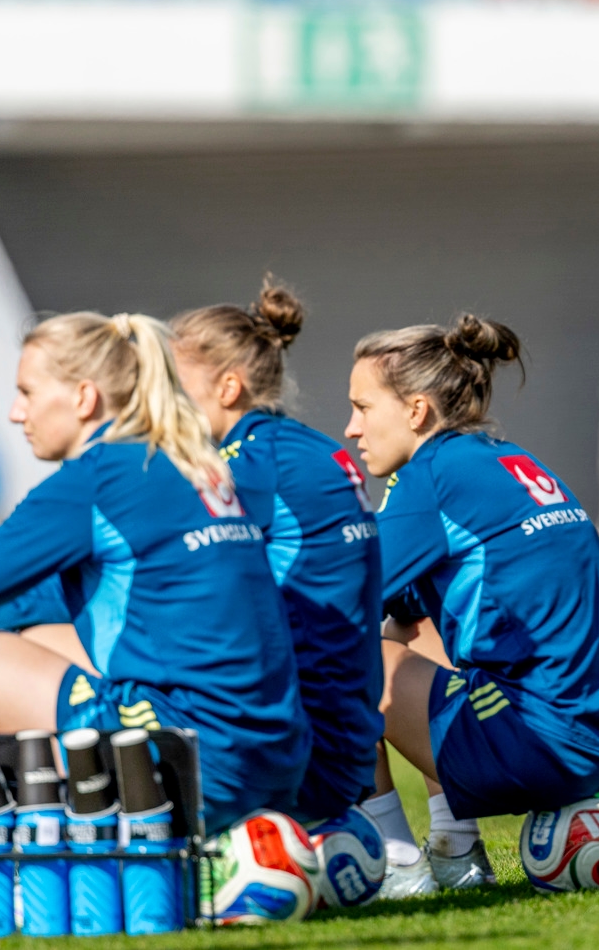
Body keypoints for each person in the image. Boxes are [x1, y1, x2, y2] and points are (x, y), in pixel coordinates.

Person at [0, 312, 308, 834]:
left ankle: (45, 845)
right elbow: (42, 599)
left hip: (194, 765)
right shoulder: (188, 461)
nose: (16, 412)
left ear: (83, 397)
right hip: (277, 766)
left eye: (28, 392)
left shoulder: (98, 475)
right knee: (41, 637)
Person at [346, 314, 599, 889]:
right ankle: (457, 852)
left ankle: (397, 866)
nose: (352, 428)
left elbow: (334, 604)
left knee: (338, 654)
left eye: (363, 407)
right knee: (410, 624)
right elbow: (403, 608)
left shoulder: (431, 475)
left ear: (416, 410)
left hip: (541, 745)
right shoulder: (510, 459)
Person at [170, 278, 384, 835]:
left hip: (295, 745)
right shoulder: (311, 446)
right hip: (351, 737)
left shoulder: (245, 465)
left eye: (174, 387)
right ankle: (395, 849)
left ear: (228, 387)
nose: (160, 405)